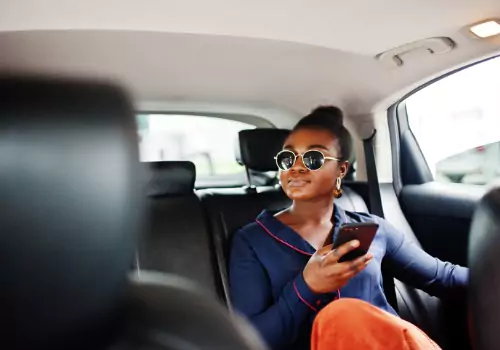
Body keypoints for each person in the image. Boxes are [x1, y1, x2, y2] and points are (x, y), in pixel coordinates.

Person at [229, 106, 468, 350]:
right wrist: (307, 286)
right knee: (341, 314)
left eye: (313, 158)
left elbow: (443, 278)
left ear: (341, 170)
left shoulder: (372, 229)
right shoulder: (252, 241)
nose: (296, 167)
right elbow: (249, 340)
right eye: (287, 158)